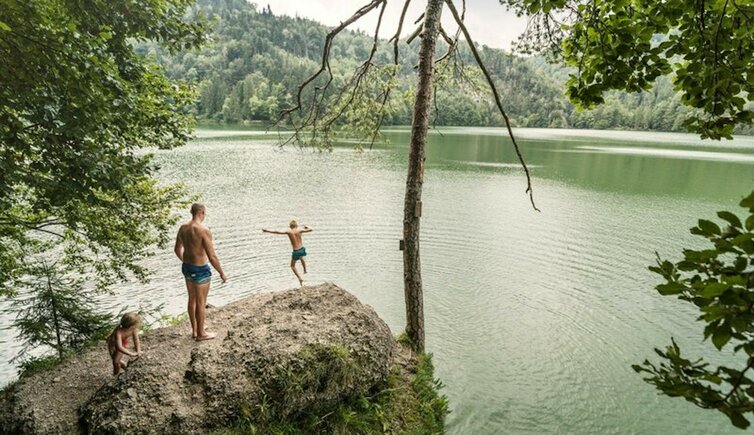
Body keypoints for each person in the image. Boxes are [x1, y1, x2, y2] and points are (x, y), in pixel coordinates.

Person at [174, 203, 227, 341]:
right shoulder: (203, 230)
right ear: (201, 212)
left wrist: (185, 262)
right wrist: (221, 272)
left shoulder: (183, 228)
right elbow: (212, 256)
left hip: (187, 267)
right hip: (200, 270)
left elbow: (177, 249)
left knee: (191, 299)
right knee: (201, 301)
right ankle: (201, 333)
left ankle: (195, 330)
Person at [262, 219, 313, 286]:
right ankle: (305, 270)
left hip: (296, 251)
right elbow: (311, 229)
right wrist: (306, 227)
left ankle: (300, 278)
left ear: (290, 226)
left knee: (292, 266)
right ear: (296, 226)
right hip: (302, 249)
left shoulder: (289, 232)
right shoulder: (300, 230)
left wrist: (267, 230)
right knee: (301, 257)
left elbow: (277, 232)